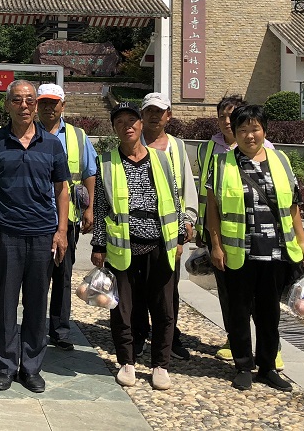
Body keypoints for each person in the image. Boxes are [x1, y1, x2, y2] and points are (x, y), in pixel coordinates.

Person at [206, 104, 304, 393]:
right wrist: (216, 245)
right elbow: (212, 209)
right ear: (235, 132)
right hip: (239, 250)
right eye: (243, 129)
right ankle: (242, 365)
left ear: (264, 130)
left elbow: (293, 205)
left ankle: (267, 367)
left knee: (269, 312)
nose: (250, 135)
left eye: (255, 129)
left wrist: (302, 241)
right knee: (238, 310)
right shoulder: (221, 163)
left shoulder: (281, 160)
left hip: (275, 250)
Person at [0, 81, 70, 393]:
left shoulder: (52, 144)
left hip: (43, 233)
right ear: (7, 105)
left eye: (30, 100)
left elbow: (62, 189)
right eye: (17, 100)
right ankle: (5, 366)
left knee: (36, 303)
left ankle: (31, 368)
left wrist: (61, 231)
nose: (24, 106)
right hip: (5, 234)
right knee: (5, 303)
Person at [90, 102, 182, 392]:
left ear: (141, 124)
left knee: (164, 308)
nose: (127, 126)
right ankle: (126, 361)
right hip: (123, 246)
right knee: (122, 308)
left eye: (132, 121)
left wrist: (179, 237)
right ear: (114, 128)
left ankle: (160, 365)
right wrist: (98, 245)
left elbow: (175, 199)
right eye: (120, 122)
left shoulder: (161, 159)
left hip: (160, 244)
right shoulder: (106, 162)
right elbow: (101, 206)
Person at [195, 93, 272, 362]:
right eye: (222, 117)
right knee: (228, 292)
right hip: (221, 232)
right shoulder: (208, 149)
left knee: (261, 296)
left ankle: (269, 347)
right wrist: (204, 230)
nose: (227, 121)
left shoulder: (266, 148)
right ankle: (235, 340)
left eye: (232, 115)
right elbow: (206, 193)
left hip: (259, 233)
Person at [35, 83, 98, 351]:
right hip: (34, 217)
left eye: (54, 103)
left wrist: (89, 208)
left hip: (66, 219)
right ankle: (34, 329)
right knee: (36, 277)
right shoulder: (27, 132)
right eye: (44, 103)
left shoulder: (77, 136)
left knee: (62, 276)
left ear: (63, 105)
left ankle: (60, 330)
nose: (49, 107)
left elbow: (89, 172)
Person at [135, 92, 197, 361]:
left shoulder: (176, 146)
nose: (154, 116)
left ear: (168, 116)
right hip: (137, 228)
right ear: (142, 114)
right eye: (149, 111)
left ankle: (170, 338)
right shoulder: (132, 141)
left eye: (159, 111)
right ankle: (138, 335)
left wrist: (189, 219)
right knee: (137, 286)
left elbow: (187, 185)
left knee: (168, 289)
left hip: (170, 229)